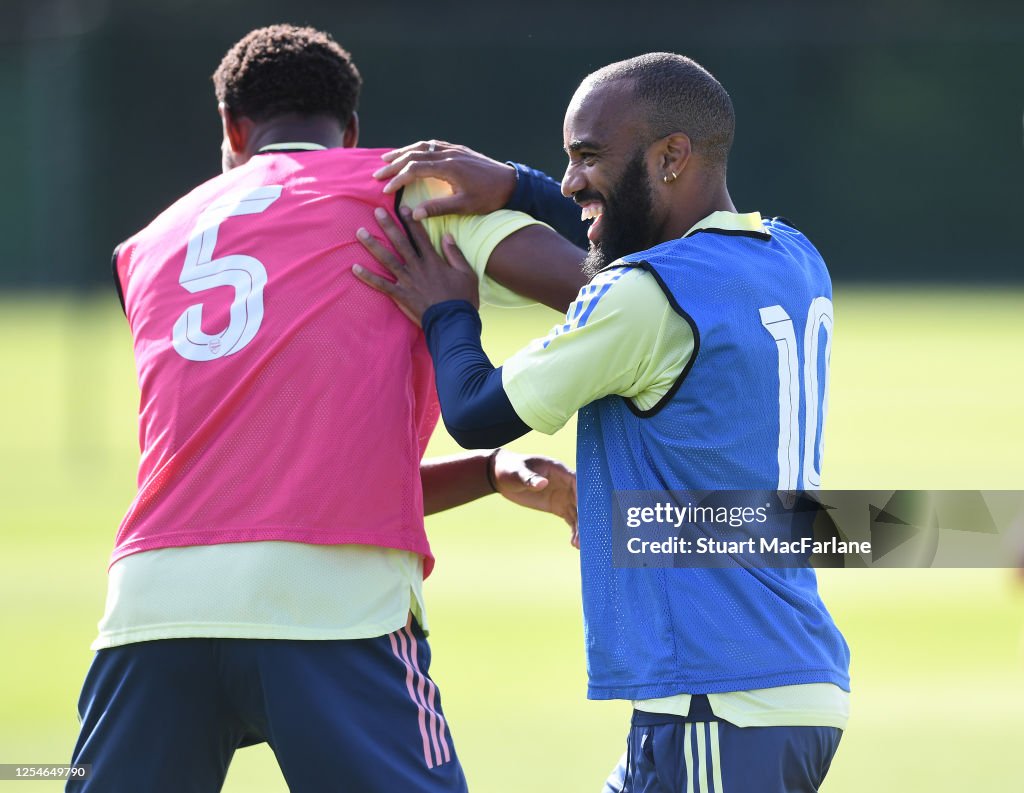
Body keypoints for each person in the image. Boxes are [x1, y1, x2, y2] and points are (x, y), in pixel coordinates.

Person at [67, 24, 587, 793]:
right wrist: (516, 187)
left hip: (151, 605)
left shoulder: (145, 245)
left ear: (231, 131)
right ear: (350, 132)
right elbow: (609, 289)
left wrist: (483, 471)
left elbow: (281, 480)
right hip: (333, 609)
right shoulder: (407, 190)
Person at [354, 53, 850, 793]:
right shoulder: (791, 255)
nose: (570, 181)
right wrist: (516, 186)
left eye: (588, 157)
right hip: (764, 686)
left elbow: (476, 412)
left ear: (672, 156)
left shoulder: (644, 298)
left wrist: (447, 308)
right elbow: (631, 255)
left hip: (718, 697)